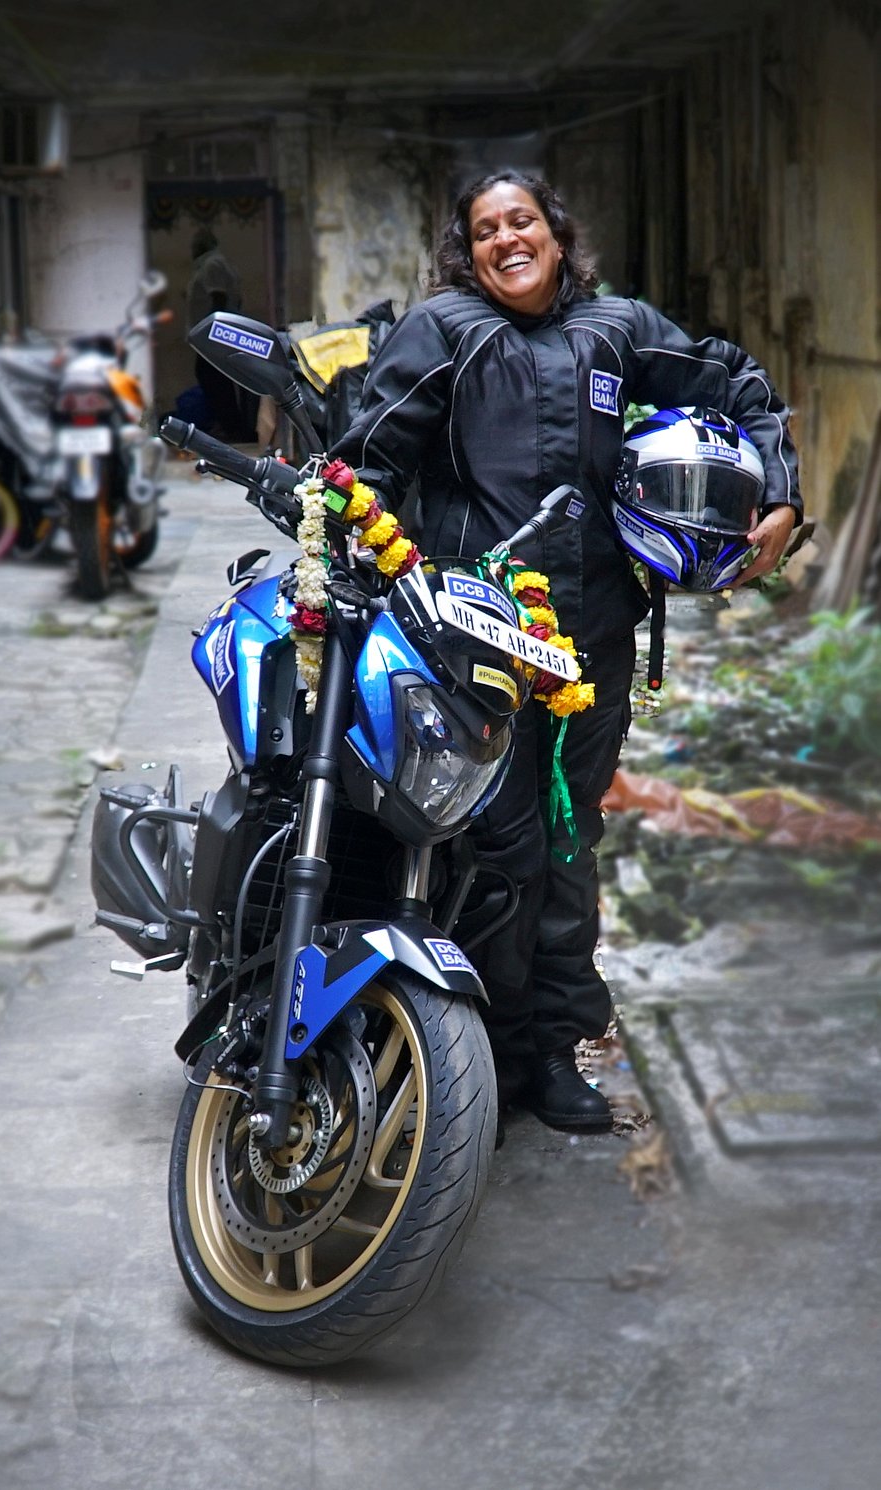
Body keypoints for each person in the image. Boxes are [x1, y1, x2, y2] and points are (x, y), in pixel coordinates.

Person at [332, 171, 801, 1134]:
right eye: (488, 228)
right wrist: (353, 560)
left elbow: (740, 384)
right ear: (468, 249)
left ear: (555, 233)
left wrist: (781, 493)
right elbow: (363, 464)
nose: (509, 238)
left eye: (524, 221)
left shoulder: (616, 330)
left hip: (594, 642)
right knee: (491, 849)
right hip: (469, 643)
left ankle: (552, 1055)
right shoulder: (446, 333)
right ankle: (476, 1056)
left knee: (566, 839)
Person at [186, 225, 250, 440]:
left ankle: (231, 427)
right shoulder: (212, 264)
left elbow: (219, 299)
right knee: (216, 379)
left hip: (212, 335)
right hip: (213, 334)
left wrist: (213, 334)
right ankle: (227, 425)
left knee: (213, 379)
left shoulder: (212, 264)